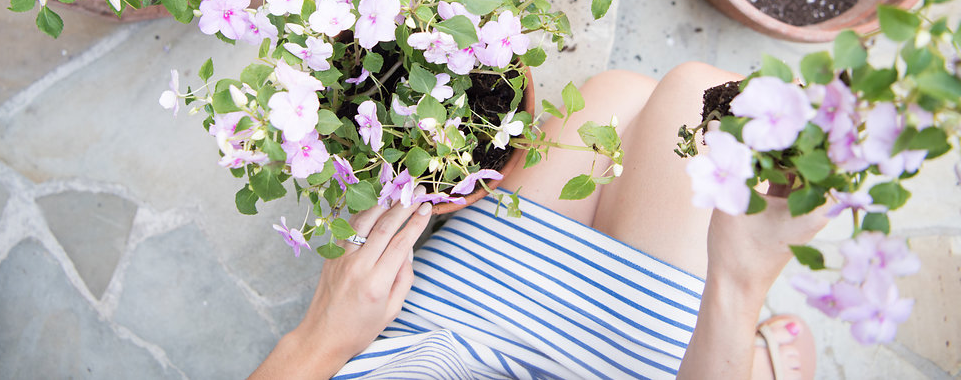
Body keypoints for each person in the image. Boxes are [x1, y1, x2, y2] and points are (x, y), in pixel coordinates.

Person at [251, 63, 828, 379]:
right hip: (620, 362)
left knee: (619, 97)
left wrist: (317, 337)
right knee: (692, 95)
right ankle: (745, 362)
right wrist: (737, 285)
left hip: (434, 349)